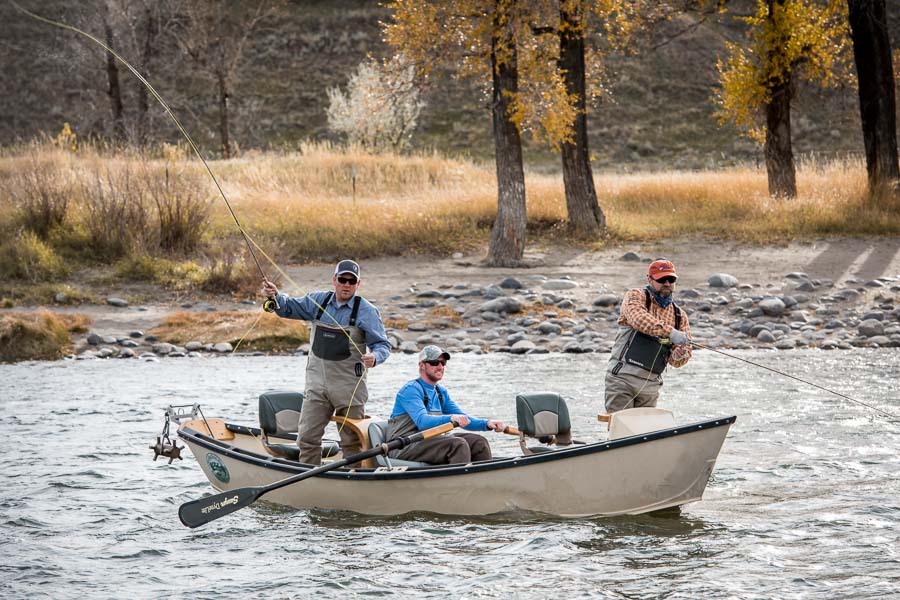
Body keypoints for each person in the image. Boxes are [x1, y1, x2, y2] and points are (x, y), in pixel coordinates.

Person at [262, 259, 391, 465]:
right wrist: (276, 296)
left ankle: (353, 479)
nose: (346, 284)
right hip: (316, 387)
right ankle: (308, 478)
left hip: (350, 389)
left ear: (358, 284)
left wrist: (375, 357)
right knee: (306, 438)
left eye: (352, 281)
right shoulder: (317, 301)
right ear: (334, 280)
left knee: (351, 442)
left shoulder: (367, 311)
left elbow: (383, 345)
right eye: (343, 279)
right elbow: (287, 308)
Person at [386, 345, 505, 465]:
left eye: (443, 363)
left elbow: (464, 419)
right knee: (458, 444)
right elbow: (422, 421)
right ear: (421, 365)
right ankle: (459, 482)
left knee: (479, 442)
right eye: (434, 362)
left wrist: (487, 424)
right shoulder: (411, 390)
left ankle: (483, 480)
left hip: (428, 440)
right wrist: (451, 418)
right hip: (403, 446)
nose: (440, 367)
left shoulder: (440, 392)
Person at [604, 259, 692, 413]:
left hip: (651, 387)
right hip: (622, 379)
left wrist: (679, 354)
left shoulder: (680, 316)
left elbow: (679, 361)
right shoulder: (635, 296)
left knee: (644, 432)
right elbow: (639, 320)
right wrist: (671, 333)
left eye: (671, 279)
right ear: (650, 279)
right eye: (661, 279)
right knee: (622, 429)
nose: (666, 283)